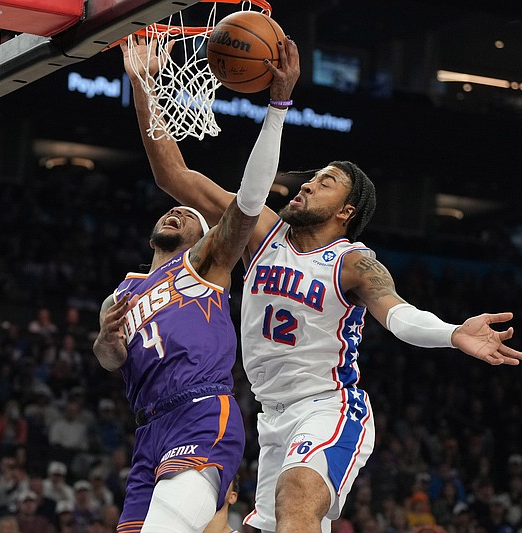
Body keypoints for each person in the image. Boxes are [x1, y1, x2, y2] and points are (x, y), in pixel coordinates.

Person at [123, 37, 522, 533]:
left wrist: (451, 332)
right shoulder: (261, 232)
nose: (308, 183)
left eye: (326, 181)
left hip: (330, 406)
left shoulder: (352, 262)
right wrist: (143, 84)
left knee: (298, 493)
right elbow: (174, 174)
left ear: (346, 211)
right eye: (312, 177)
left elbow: (399, 315)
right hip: (271, 418)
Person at [95, 36, 299, 533]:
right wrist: (105, 341)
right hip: (148, 431)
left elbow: (240, 206)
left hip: (202, 411)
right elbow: (111, 362)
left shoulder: (207, 264)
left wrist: (276, 105)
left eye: (188, 216)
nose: (176, 210)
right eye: (173, 210)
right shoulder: (120, 294)